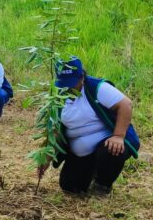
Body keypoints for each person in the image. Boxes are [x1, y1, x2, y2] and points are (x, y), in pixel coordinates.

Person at [37, 57, 140, 197]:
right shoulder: (57, 96)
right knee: (69, 187)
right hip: (79, 151)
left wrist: (118, 136)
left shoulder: (97, 87)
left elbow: (126, 105)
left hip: (105, 143)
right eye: (64, 84)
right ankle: (91, 171)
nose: (68, 88)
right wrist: (45, 159)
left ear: (82, 77)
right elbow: (54, 131)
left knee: (113, 150)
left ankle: (102, 185)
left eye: (72, 84)